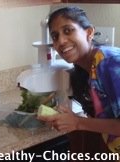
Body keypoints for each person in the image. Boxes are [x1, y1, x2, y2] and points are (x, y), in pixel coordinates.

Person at [38, 6, 120, 156]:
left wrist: (77, 122)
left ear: (89, 32)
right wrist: (65, 117)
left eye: (68, 30)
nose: (61, 41)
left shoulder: (111, 63)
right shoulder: (84, 70)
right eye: (55, 36)